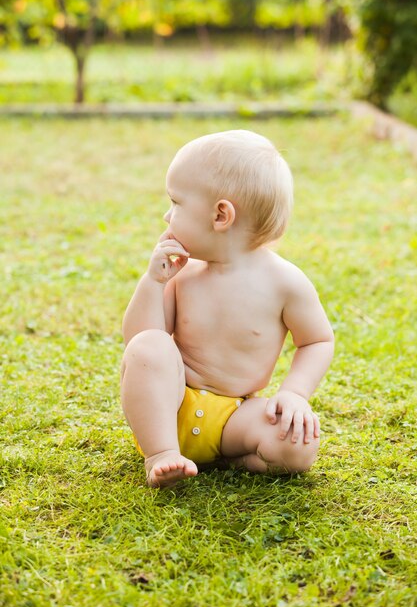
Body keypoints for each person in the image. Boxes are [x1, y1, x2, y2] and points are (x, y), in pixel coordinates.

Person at [120, 130, 334, 488]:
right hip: (168, 409)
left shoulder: (286, 283)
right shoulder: (182, 275)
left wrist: (294, 393)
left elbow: (317, 340)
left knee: (300, 446)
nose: (166, 215)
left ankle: (232, 454)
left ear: (221, 215)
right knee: (149, 346)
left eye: (176, 203)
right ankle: (162, 455)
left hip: (235, 416)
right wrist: (153, 283)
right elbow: (139, 340)